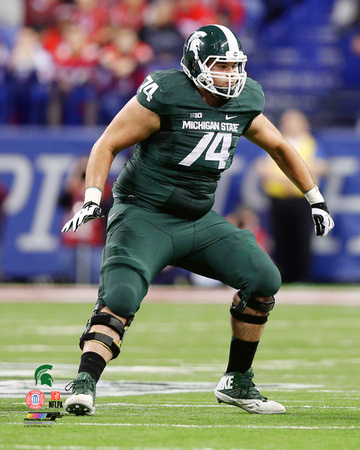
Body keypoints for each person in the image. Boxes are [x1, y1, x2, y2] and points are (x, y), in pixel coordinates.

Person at [62, 24, 334, 416]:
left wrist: (315, 198)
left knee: (264, 279)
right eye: (220, 65)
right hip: (145, 214)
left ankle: (237, 381)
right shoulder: (167, 93)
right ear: (195, 65)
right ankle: (84, 381)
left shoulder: (245, 97)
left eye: (234, 65)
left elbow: (278, 145)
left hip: (198, 219)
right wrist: (92, 196)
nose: (230, 74)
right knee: (120, 298)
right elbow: (107, 142)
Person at [256, 109, 330, 282]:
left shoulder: (311, 144)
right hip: (278, 199)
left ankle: (301, 277)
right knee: (280, 239)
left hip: (301, 199)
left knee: (302, 239)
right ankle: (282, 277)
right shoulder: (275, 141)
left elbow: (322, 166)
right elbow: (262, 167)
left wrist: (290, 178)